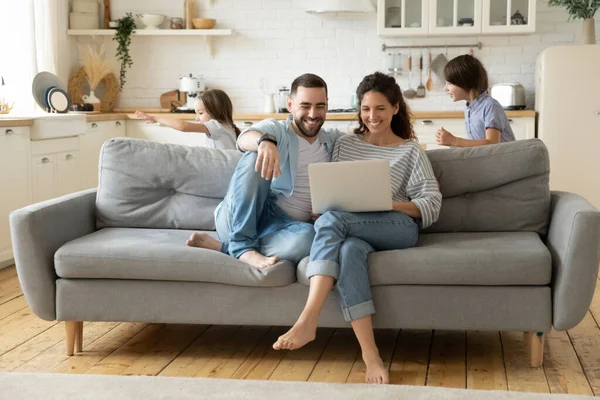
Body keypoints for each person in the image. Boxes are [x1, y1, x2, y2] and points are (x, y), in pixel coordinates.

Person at [271, 72, 442, 385]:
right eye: (365, 109)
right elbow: (334, 188)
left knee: (332, 220)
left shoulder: (410, 151)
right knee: (348, 251)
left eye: (379, 109)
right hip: (354, 231)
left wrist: (387, 202)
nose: (372, 116)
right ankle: (370, 355)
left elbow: (430, 204)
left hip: (398, 228)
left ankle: (308, 319)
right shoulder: (345, 144)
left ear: (395, 109)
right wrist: (322, 204)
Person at [185, 73, 345, 270]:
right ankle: (242, 245)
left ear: (327, 105)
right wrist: (265, 142)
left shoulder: (333, 141)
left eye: (320, 106)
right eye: (305, 106)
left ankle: (227, 248)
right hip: (242, 216)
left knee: (311, 238)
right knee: (255, 154)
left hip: (283, 228)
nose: (313, 114)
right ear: (290, 105)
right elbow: (243, 139)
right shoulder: (277, 129)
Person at [435, 54, 515, 147]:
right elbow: (477, 146)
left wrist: (454, 140)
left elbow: (493, 144)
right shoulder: (469, 109)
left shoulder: (490, 105)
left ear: (465, 81)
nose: (446, 88)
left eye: (449, 83)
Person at [135, 89, 239, 150]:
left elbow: (182, 126)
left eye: (201, 113)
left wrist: (155, 117)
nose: (197, 118)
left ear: (215, 110)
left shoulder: (216, 126)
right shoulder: (227, 127)